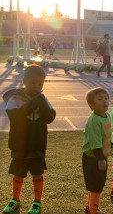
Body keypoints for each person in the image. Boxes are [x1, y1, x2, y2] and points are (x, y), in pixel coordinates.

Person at [2, 64, 56, 214]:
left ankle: (37, 201)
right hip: (19, 145)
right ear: (24, 81)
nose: (37, 86)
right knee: (18, 173)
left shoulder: (42, 99)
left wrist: (41, 101)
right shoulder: (15, 98)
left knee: (37, 173)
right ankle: (15, 199)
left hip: (38, 144)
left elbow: (49, 118)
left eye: (40, 83)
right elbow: (16, 117)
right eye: (33, 82)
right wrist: (35, 102)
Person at [82, 87, 112, 214]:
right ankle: (93, 211)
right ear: (92, 105)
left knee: (98, 183)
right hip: (93, 157)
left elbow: (106, 134)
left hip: (101, 155)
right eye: (100, 99)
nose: (104, 101)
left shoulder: (107, 116)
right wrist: (100, 159)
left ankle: (90, 208)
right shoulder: (94, 120)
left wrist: (112, 145)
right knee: (96, 186)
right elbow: (95, 143)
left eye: (106, 98)